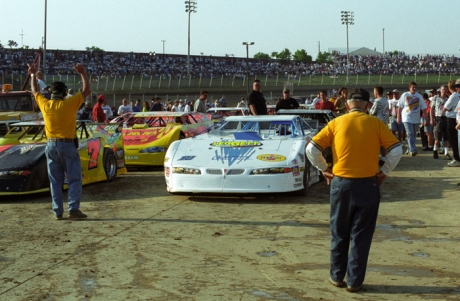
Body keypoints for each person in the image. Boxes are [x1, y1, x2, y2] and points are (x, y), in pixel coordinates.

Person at [305, 88, 402, 293]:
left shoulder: (336, 123)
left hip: (340, 183)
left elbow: (311, 149)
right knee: (361, 234)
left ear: (347, 104)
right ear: (367, 105)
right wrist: (384, 172)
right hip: (367, 184)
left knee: (339, 232)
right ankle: (354, 281)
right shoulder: (376, 123)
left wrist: (324, 170)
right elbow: (396, 149)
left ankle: (336, 276)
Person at [27, 62, 91, 220]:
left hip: (51, 145)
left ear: (51, 93)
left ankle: (57, 211)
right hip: (67, 145)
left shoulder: (46, 104)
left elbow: (34, 91)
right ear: (64, 94)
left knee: (55, 180)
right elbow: (86, 91)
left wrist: (33, 75)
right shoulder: (69, 104)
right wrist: (82, 73)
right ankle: (73, 209)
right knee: (74, 178)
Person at [397, 82, 426, 156]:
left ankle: (409, 149)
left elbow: (423, 107)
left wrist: (425, 118)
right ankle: (413, 149)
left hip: (416, 118)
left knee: (413, 134)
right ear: (409, 88)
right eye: (412, 87)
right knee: (409, 133)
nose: (414, 89)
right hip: (407, 117)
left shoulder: (419, 96)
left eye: (415, 87)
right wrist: (398, 117)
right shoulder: (405, 95)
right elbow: (400, 107)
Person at [370, 86, 390, 166]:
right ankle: (384, 158)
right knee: (383, 142)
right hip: (384, 123)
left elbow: (372, 113)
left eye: (374, 91)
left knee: (375, 142)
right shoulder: (386, 100)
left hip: (377, 123)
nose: (374, 93)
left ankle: (373, 158)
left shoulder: (377, 101)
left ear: (377, 92)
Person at [431, 85, 450, 159]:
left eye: (445, 89)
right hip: (438, 118)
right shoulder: (436, 98)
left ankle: (446, 153)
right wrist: (431, 118)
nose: (444, 91)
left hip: (447, 118)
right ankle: (435, 149)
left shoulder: (448, 99)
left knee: (446, 137)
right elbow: (432, 109)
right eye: (443, 89)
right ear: (440, 90)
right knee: (437, 137)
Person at [444, 79, 460, 166]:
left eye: (458, 87)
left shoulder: (454, 96)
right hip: (456, 120)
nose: (457, 88)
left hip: (452, 120)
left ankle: (457, 159)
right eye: (456, 87)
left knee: (453, 141)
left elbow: (444, 108)